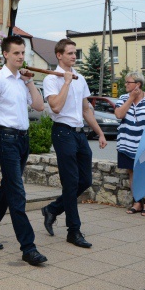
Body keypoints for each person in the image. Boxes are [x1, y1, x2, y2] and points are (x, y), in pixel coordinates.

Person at [0, 35, 48, 266]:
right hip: (6, 139)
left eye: (23, 53)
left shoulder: (20, 81)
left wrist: (29, 82)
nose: (20, 57)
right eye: (16, 53)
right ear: (5, 54)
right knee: (17, 194)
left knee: (8, 188)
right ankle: (28, 248)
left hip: (23, 140)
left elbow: (39, 105)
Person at [41, 38, 107, 249]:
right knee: (70, 184)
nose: (74, 56)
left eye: (75, 53)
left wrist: (100, 132)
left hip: (79, 134)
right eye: (70, 53)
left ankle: (52, 209)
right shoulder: (52, 79)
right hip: (62, 133)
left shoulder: (81, 78)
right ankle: (73, 231)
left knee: (85, 181)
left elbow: (86, 109)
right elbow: (57, 107)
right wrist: (66, 82)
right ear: (59, 55)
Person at [113, 71, 145, 216]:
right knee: (132, 173)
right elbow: (119, 115)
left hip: (144, 144)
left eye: (128, 82)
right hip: (127, 143)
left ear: (138, 84)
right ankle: (137, 202)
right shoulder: (124, 98)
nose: (125, 84)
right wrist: (131, 99)